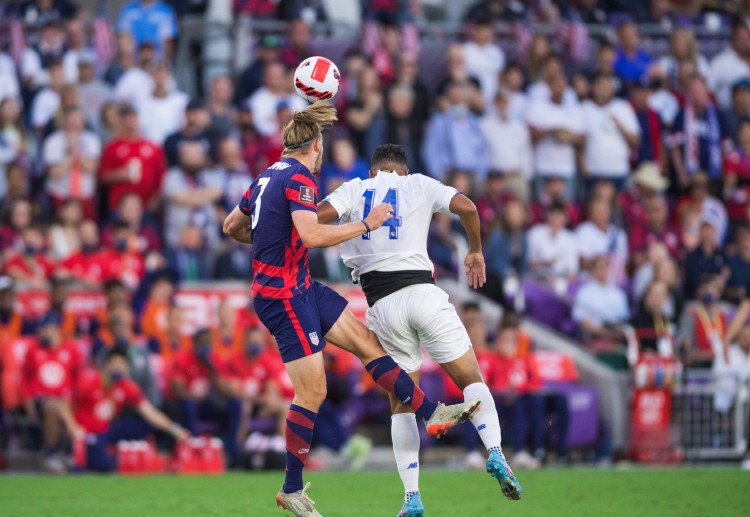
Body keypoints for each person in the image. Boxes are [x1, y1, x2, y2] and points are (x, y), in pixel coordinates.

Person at [222, 102, 478, 516]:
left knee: (367, 342)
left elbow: (232, 226)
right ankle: (291, 490)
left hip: (300, 284)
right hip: (284, 295)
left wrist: (270, 240)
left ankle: (431, 413)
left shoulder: (265, 176)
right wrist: (366, 224)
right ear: (316, 145)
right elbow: (310, 234)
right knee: (313, 391)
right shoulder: (300, 178)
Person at [318, 143, 523, 514]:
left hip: (381, 305)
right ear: (404, 170)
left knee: (401, 403)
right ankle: (495, 452)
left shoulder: (354, 189)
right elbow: (468, 208)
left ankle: (412, 497)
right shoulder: (418, 184)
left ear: (372, 171)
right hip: (422, 293)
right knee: (471, 379)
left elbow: (317, 217)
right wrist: (475, 251)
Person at [57, 348, 189, 472]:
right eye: (115, 364)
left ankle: (158, 458)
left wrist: (175, 429)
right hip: (87, 431)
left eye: (122, 365)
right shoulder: (89, 380)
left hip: (108, 428)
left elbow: (149, 411)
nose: (118, 368)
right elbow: (63, 405)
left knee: (146, 425)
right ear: (106, 365)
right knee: (103, 466)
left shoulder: (126, 385)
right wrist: (73, 427)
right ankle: (78, 458)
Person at [20, 312, 84, 473]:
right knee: (52, 405)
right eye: (42, 330)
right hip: (41, 400)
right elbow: (24, 379)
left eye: (49, 329)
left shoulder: (70, 349)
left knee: (57, 406)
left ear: (57, 329)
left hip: (68, 401)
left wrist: (77, 400)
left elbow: (79, 378)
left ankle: (53, 453)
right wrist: (28, 402)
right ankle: (72, 436)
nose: (45, 333)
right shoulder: (33, 350)